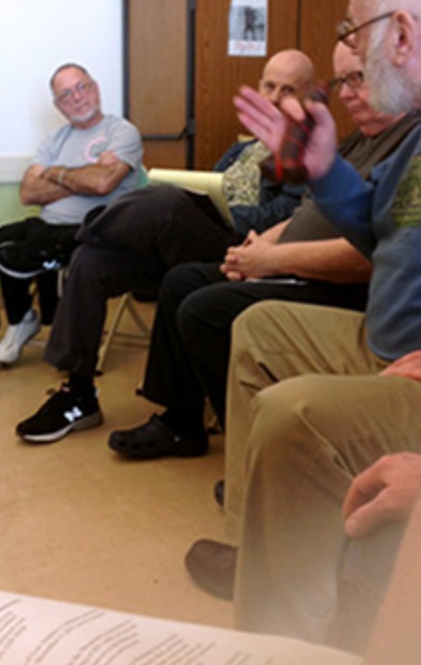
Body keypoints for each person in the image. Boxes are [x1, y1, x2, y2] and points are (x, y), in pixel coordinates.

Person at [182, 0, 421, 652]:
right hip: (386, 338)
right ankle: (252, 551)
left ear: (401, 33)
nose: (350, 55)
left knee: (297, 417)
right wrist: (327, 171)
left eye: (356, 30)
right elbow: (382, 231)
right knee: (256, 327)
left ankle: (286, 654)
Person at [110, 41, 419, 459]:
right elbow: (307, 211)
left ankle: (254, 447)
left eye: (358, 79)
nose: (346, 94)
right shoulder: (354, 141)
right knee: (181, 279)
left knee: (203, 304)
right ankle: (182, 422)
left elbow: (371, 251)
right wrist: (263, 244)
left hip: (332, 284)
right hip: (284, 260)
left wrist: (271, 261)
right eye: (342, 81)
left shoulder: (407, 148)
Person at [16, 49, 318, 443]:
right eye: (269, 86)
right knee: (92, 260)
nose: (275, 98)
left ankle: (82, 231)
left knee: (171, 204)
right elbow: (211, 187)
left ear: (308, 98)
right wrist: (204, 199)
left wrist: (220, 210)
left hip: (245, 250)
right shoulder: (242, 149)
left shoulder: (307, 152)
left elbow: (291, 217)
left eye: (288, 89)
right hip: (199, 240)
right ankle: (79, 394)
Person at [0, 64, 143, 374]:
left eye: (82, 87)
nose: (77, 97)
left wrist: (55, 174)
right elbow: (28, 192)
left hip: (97, 228)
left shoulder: (121, 131)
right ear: (58, 105)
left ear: (95, 88)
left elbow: (103, 185)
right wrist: (83, 174)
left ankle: (61, 336)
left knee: (30, 251)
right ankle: (20, 321)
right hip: (49, 225)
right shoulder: (55, 139)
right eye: (66, 94)